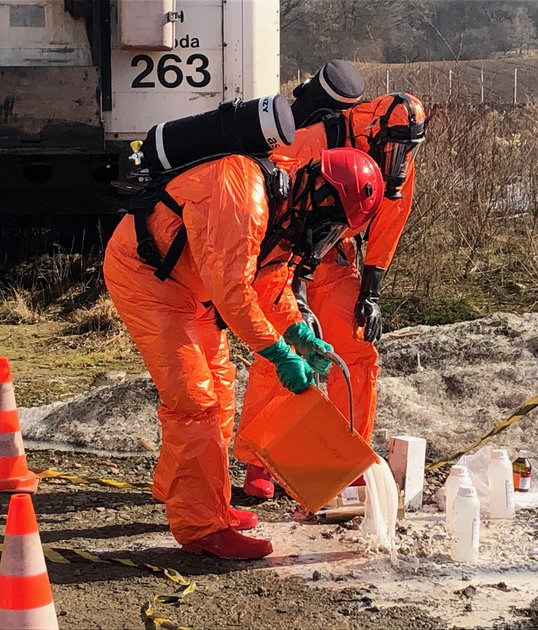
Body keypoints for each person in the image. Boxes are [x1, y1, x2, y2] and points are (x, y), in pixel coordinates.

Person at [103, 147, 384, 559]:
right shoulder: (244, 193)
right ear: (322, 193)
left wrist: (299, 334)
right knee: (194, 400)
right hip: (148, 278)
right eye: (330, 227)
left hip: (193, 288)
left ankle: (198, 498)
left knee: (219, 388)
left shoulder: (288, 211)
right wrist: (280, 354)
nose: (324, 238)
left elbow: (269, 284)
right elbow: (234, 293)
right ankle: (200, 528)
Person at [234, 91, 428, 499]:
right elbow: (276, 193)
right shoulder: (318, 138)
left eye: (405, 151)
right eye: (393, 148)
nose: (398, 159)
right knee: (278, 353)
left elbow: (391, 220)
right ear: (374, 132)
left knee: (357, 351)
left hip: (335, 253)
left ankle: (343, 457)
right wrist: (290, 278)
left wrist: (371, 292)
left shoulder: (400, 161)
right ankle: (259, 462)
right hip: (286, 251)